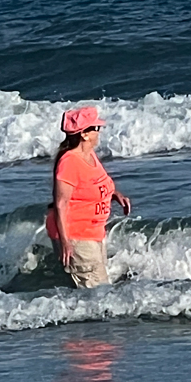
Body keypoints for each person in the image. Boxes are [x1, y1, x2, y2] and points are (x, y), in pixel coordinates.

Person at [45, 107, 131, 288]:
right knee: (99, 295)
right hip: (76, 236)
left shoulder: (89, 154)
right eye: (96, 129)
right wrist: (65, 242)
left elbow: (96, 183)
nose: (99, 133)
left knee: (98, 290)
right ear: (84, 134)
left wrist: (115, 194)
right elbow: (61, 204)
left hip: (93, 233)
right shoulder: (69, 162)